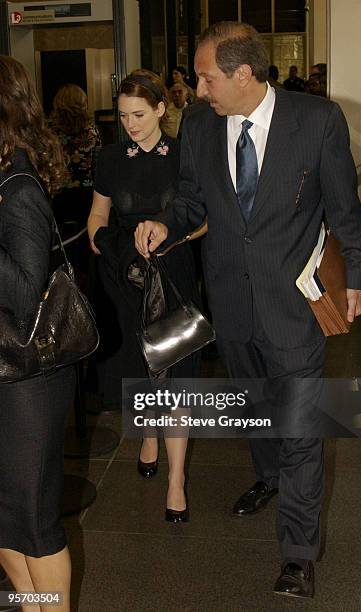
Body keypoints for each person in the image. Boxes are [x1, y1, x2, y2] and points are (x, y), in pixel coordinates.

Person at [134, 21, 361, 598]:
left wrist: (358, 277)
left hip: (294, 304)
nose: (198, 88)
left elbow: (345, 207)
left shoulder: (317, 121)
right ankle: (268, 478)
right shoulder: (198, 124)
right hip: (231, 304)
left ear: (243, 75)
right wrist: (168, 222)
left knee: (299, 428)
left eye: (206, 77)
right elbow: (192, 198)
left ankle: (297, 553)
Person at [87, 69, 200, 522]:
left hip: (172, 275)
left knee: (176, 380)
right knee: (141, 373)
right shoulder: (111, 158)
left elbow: (205, 220)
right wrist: (111, 241)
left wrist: (168, 236)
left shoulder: (184, 157)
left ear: (160, 109)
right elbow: (96, 218)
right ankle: (148, 433)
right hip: (128, 280)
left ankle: (176, 481)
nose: (130, 124)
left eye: (138, 114)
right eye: (122, 116)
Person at [0, 55, 76, 611]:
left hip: (29, 381)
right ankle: (34, 604)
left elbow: (26, 295)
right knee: (5, 515)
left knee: (33, 518)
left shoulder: (20, 186)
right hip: (7, 372)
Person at [50, 83, 101, 231]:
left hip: (58, 195)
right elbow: (98, 165)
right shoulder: (92, 132)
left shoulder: (50, 134)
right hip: (86, 194)